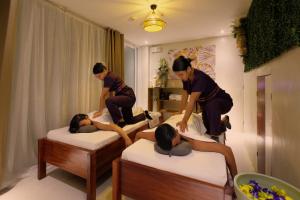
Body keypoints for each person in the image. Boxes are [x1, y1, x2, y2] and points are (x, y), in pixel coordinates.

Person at [135, 123, 237, 178]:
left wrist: (235, 179)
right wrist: (130, 146)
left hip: (194, 123)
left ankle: (224, 122)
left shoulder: (191, 142)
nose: (177, 146)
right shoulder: (158, 137)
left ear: (176, 132)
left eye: (176, 144)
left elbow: (227, 150)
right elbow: (138, 135)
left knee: (213, 126)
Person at [172, 56, 233, 139]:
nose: (180, 77)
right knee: (208, 128)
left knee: (213, 125)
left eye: (181, 74)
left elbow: (192, 101)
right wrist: (179, 112)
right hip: (207, 105)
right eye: (178, 75)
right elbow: (184, 96)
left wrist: (184, 121)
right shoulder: (186, 79)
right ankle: (224, 122)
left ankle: (215, 139)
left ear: (189, 69)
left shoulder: (200, 78)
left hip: (223, 101)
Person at [92, 63, 152, 127]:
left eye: (99, 76)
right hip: (127, 97)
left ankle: (119, 122)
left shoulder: (108, 77)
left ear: (104, 70)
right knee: (129, 121)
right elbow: (109, 93)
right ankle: (144, 115)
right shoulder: (109, 75)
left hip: (128, 96)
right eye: (97, 77)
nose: (99, 78)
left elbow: (103, 96)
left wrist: (100, 111)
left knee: (109, 101)